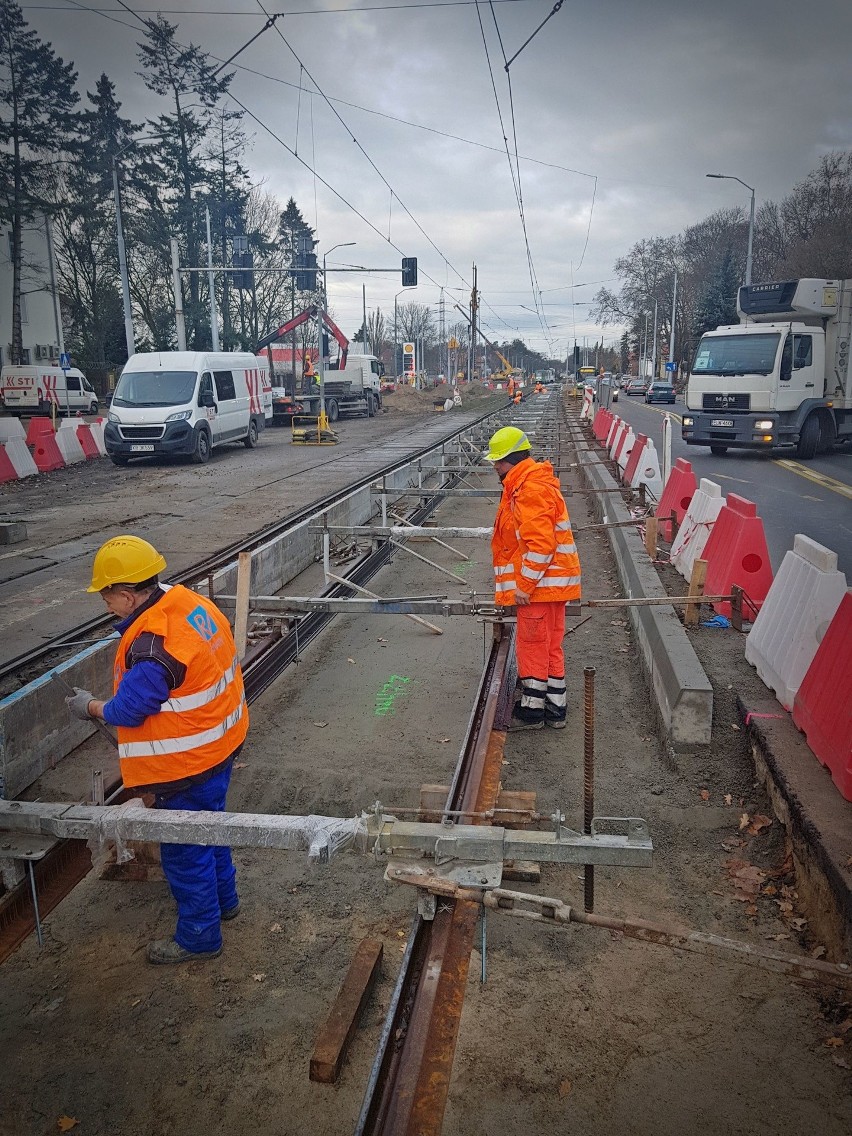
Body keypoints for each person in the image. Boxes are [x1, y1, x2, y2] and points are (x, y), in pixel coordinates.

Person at [65, 535, 249, 964]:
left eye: (107, 596)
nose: (105, 604)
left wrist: (89, 706)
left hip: (186, 765)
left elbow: (130, 709)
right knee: (213, 829)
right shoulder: (186, 603)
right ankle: (227, 902)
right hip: (220, 747)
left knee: (185, 852)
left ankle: (200, 938)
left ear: (128, 596)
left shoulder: (151, 647)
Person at [484, 427, 581, 730]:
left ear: (511, 459)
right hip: (551, 586)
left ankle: (532, 711)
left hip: (539, 588)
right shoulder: (530, 484)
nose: (495, 467)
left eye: (498, 461)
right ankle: (555, 709)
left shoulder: (529, 489)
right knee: (550, 646)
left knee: (533, 646)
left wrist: (524, 586)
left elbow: (540, 544)